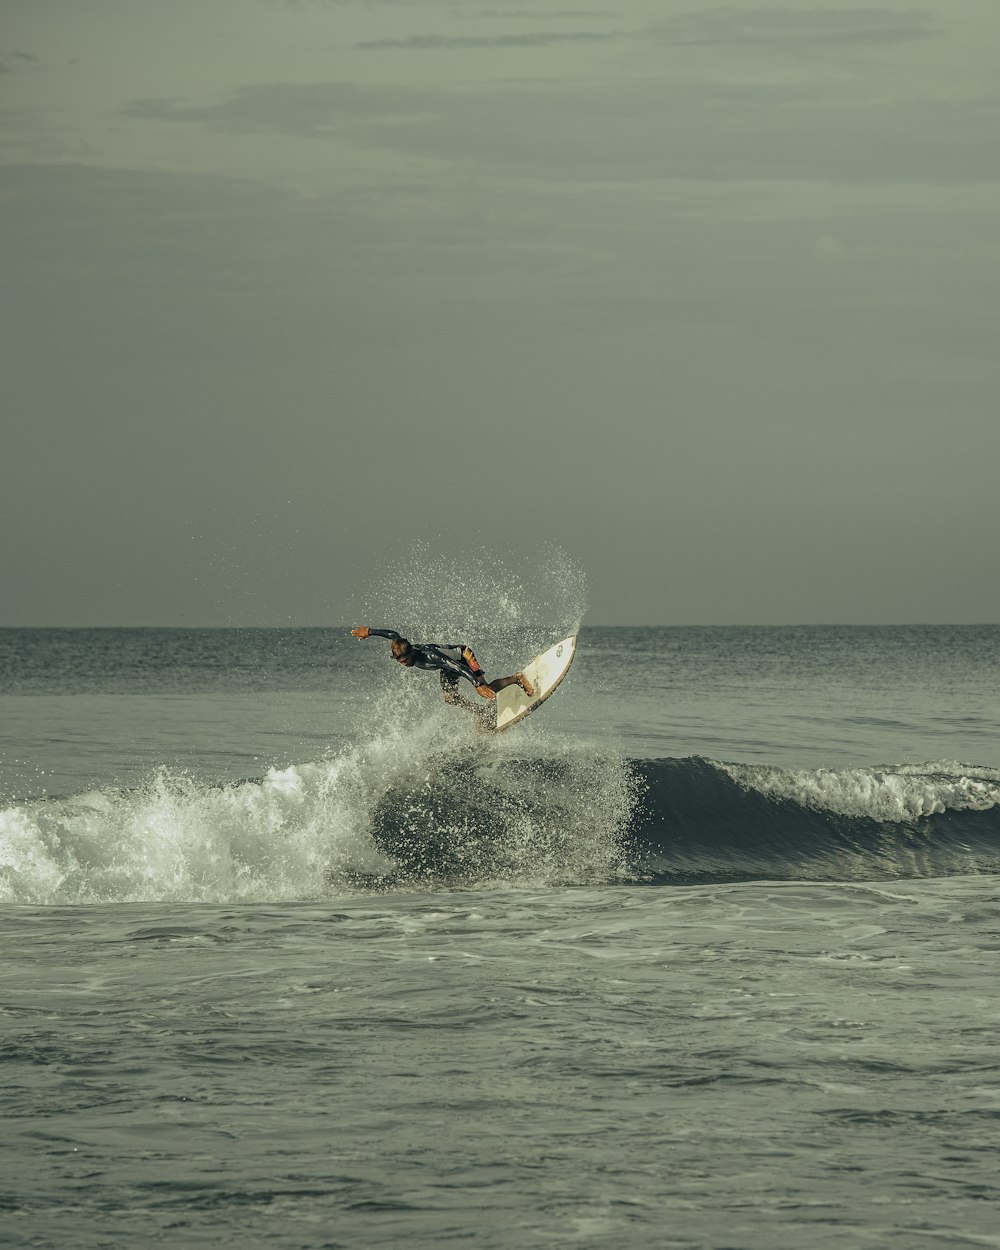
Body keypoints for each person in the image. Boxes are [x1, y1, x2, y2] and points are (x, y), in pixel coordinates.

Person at [350, 627, 534, 705]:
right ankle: (479, 712)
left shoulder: (430, 655)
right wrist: (370, 632)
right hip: (447, 667)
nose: (404, 664)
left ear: (412, 653)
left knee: (486, 687)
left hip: (463, 657)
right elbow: (393, 634)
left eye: (405, 660)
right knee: (450, 698)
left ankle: (517, 679)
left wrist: (477, 685)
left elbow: (453, 665)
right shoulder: (401, 647)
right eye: (400, 661)